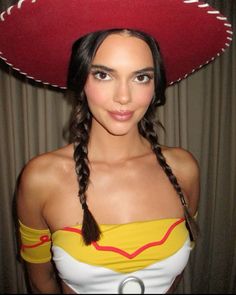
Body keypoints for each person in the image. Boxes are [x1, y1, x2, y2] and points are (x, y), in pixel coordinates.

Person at [0, 0, 232, 294]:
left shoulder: (183, 169)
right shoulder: (41, 178)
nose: (124, 97)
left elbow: (176, 274)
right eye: (103, 74)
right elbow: (40, 279)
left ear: (155, 85)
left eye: (141, 77)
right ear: (81, 79)